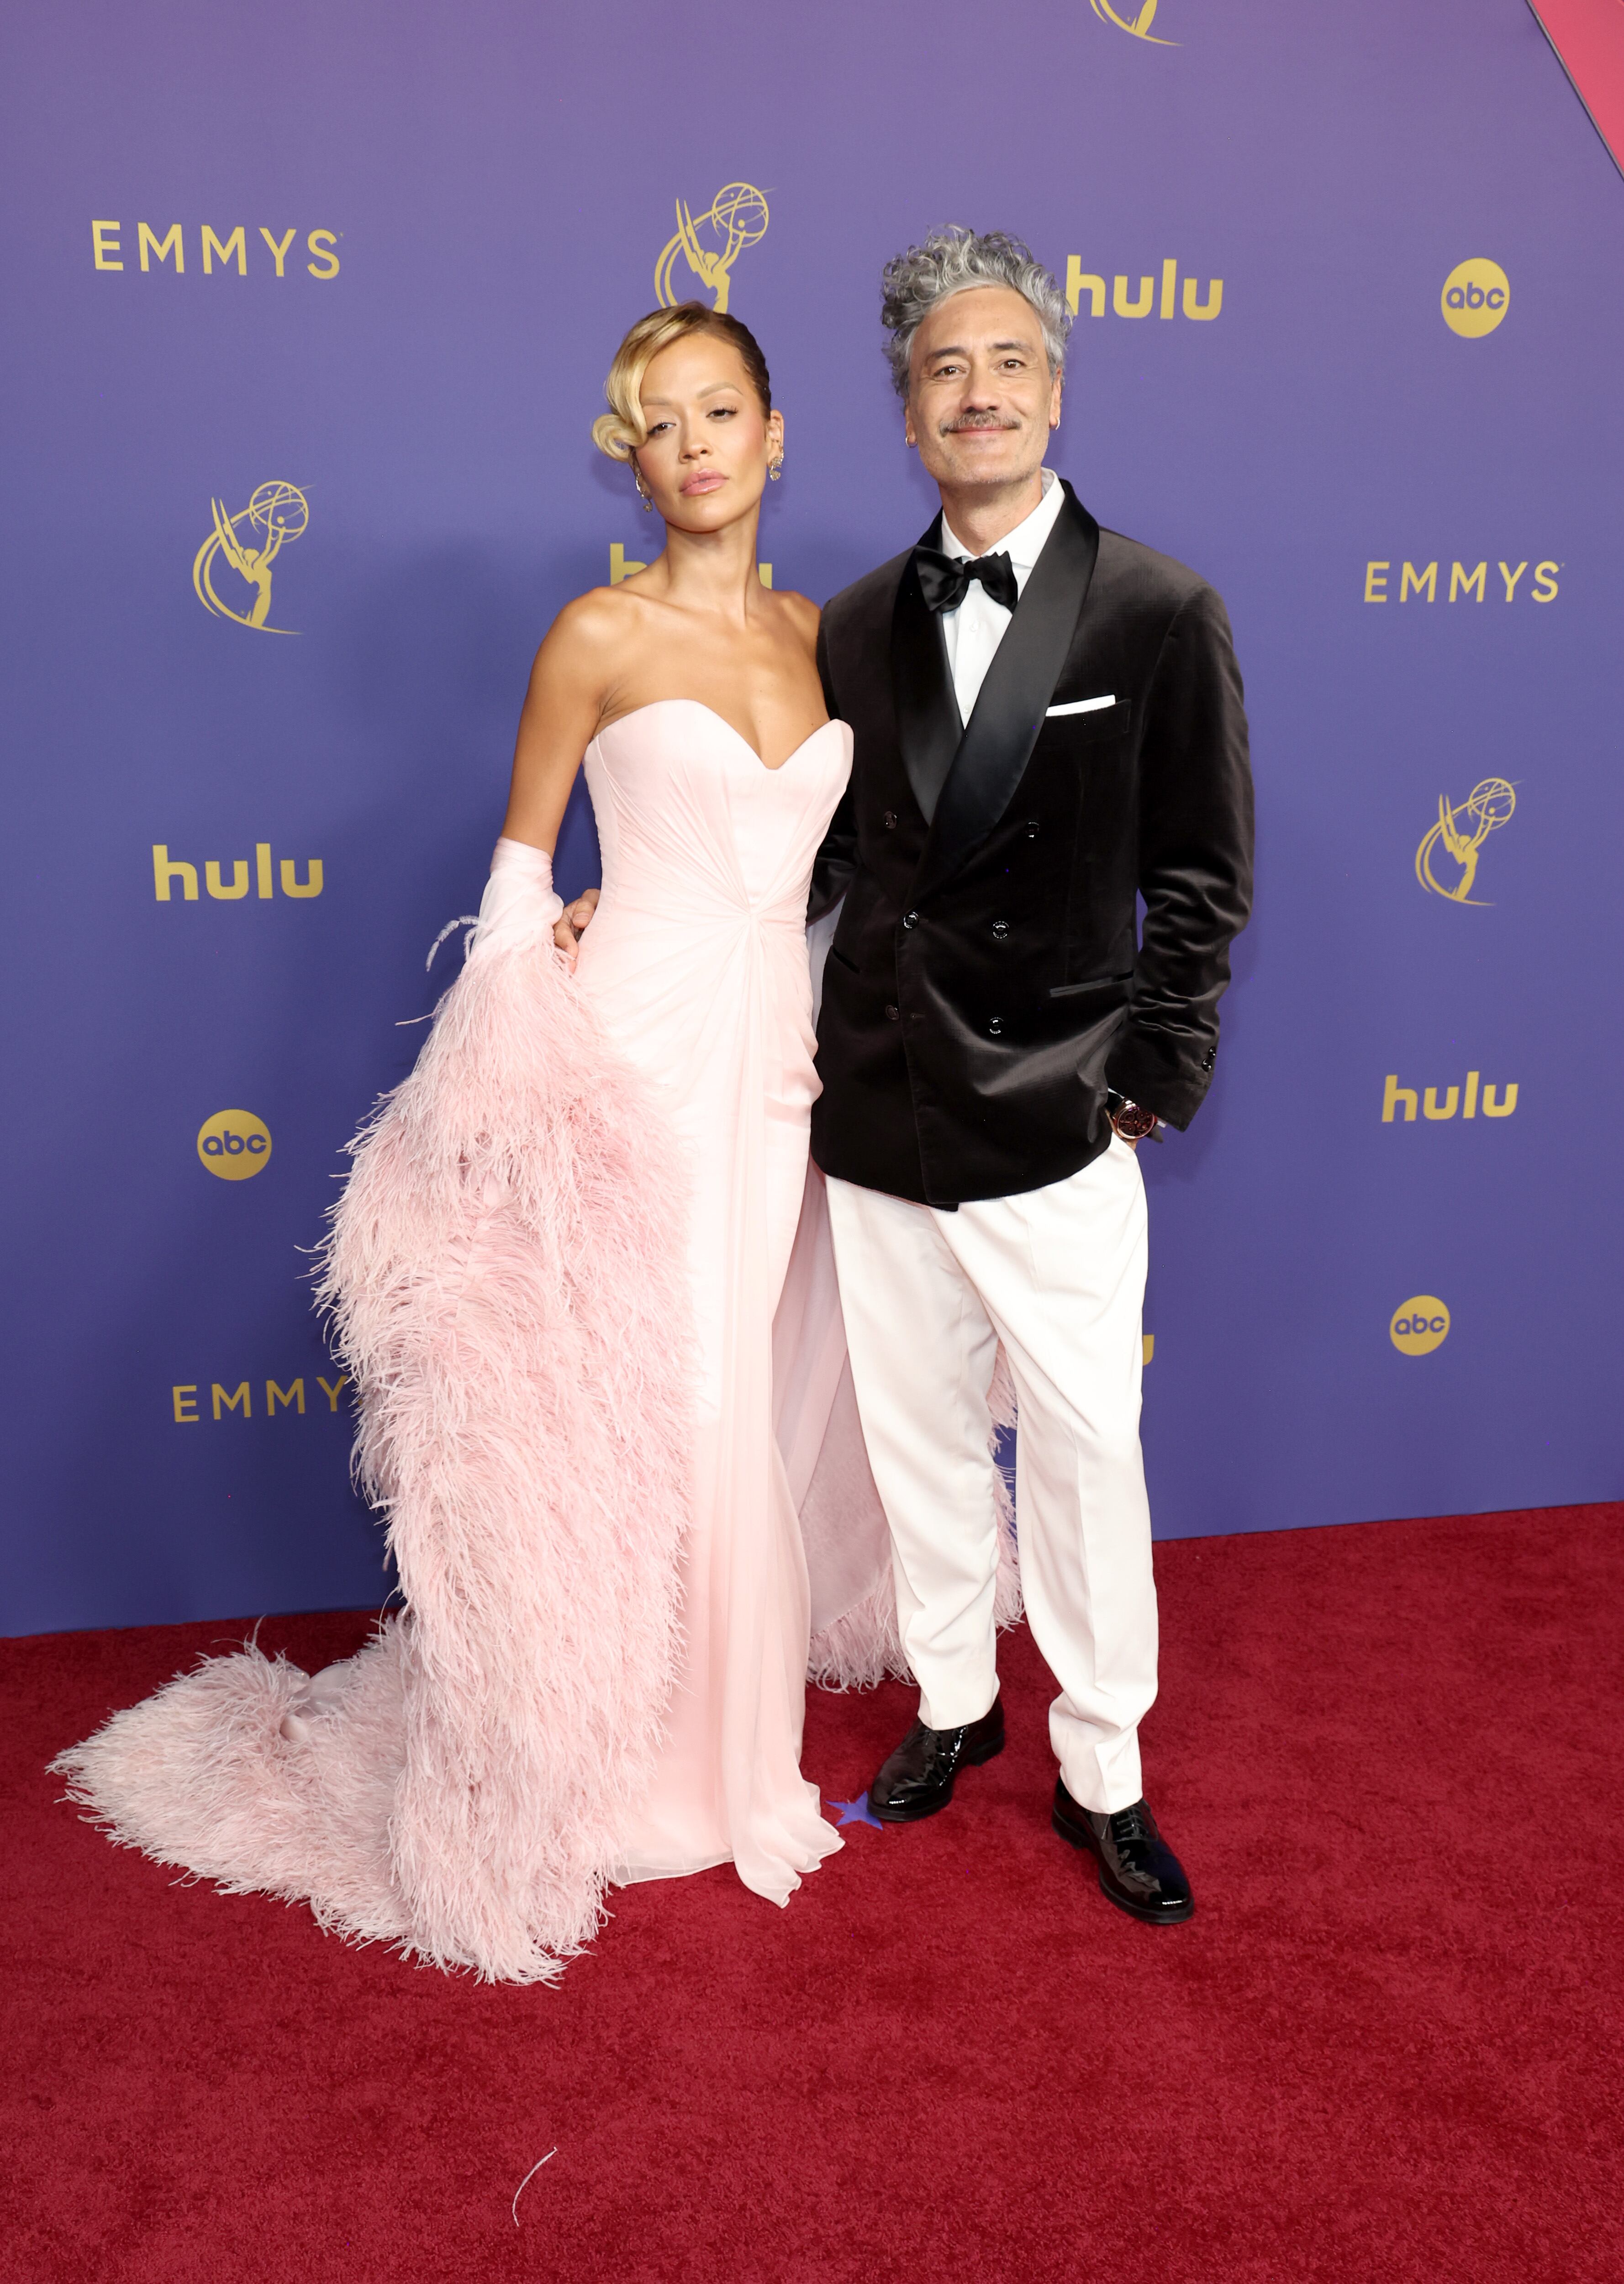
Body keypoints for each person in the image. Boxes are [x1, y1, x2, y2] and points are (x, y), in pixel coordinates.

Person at [54, 303, 905, 1983]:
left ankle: (736, 1759)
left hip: (778, 1075)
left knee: (742, 1388)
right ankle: (620, 1766)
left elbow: (837, 871)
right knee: (640, 1407)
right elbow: (520, 873)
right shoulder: (593, 631)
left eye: (720, 411)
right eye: (657, 424)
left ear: (777, 431)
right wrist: (533, 1010)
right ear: (631, 454)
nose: (694, 446)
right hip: (633, 1071)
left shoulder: (831, 637)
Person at [811, 229, 1254, 1924]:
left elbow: (1202, 873)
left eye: (1006, 364)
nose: (977, 392)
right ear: (910, 417)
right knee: (916, 1437)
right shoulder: (857, 622)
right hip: (879, 1098)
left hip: (1058, 1106)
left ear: (1053, 395)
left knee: (1080, 1450)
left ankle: (1105, 1771)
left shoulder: (1156, 606)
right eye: (944, 369)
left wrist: (1148, 1072)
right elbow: (831, 851)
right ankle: (951, 1703)